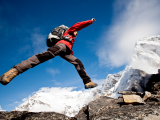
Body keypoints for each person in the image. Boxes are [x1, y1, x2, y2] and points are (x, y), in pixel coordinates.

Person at [0, 18, 98, 89]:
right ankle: (15, 70)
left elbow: (69, 48)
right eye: (76, 32)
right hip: (60, 46)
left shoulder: (71, 40)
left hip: (66, 51)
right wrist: (90, 21)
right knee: (45, 56)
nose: (76, 33)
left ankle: (87, 82)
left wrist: (72, 55)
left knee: (78, 63)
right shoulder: (69, 31)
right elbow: (78, 25)